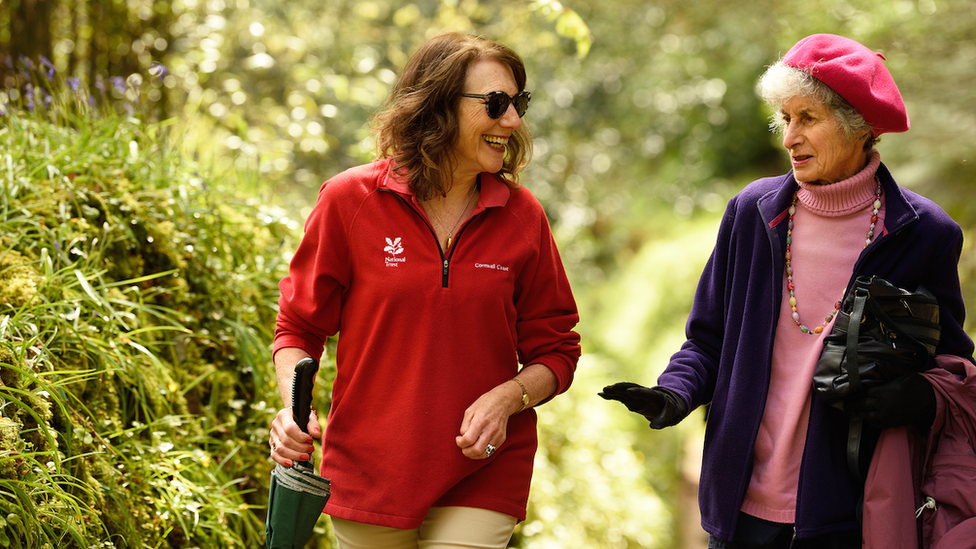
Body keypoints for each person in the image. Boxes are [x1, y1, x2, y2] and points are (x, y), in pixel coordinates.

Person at [600, 34, 975, 548]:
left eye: (808, 118)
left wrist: (918, 400)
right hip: (738, 508)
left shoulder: (924, 232)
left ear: (860, 126)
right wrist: (675, 392)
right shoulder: (752, 213)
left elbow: (951, 368)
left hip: (852, 511)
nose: (789, 137)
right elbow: (708, 338)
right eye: (785, 117)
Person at [268, 32, 581, 549]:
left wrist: (508, 399)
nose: (513, 121)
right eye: (496, 103)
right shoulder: (350, 201)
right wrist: (293, 411)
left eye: (517, 103)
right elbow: (299, 327)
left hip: (483, 470)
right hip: (370, 470)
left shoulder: (524, 218)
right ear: (437, 106)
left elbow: (558, 349)